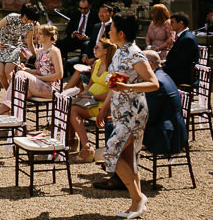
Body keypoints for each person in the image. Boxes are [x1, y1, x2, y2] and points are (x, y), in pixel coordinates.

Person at [94, 13, 158, 219]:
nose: (108, 31)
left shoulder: (134, 54)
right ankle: (136, 202)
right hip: (120, 113)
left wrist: (127, 86)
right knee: (127, 156)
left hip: (133, 113)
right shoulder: (119, 52)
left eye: (111, 28)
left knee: (111, 152)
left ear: (121, 33)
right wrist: (104, 109)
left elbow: (153, 83)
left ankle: (138, 198)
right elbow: (114, 85)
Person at [0, 24, 63, 115]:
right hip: (39, 84)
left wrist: (39, 78)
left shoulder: (54, 51)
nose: (37, 36)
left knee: (20, 77)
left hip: (51, 88)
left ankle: (5, 108)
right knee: (20, 81)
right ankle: (15, 117)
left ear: (49, 36)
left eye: (40, 34)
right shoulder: (40, 51)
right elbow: (39, 71)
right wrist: (26, 70)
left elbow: (59, 75)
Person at [70, 39, 116, 163]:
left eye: (97, 48)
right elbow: (90, 84)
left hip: (103, 103)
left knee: (73, 110)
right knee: (67, 103)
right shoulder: (96, 63)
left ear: (105, 51)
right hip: (91, 98)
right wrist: (83, 93)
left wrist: (92, 97)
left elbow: (113, 92)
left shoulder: (113, 68)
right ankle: (70, 141)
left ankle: (86, 147)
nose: (93, 50)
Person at [142, 50, 188, 157]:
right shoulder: (160, 75)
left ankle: (118, 165)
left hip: (166, 133)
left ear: (149, 64)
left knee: (121, 130)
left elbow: (150, 114)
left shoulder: (157, 83)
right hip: (163, 124)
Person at [0, 3, 39, 90]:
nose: (30, 22)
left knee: (8, 72)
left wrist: (36, 56)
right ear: (24, 15)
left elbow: (30, 43)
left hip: (15, 47)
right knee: (1, 73)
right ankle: (9, 95)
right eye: (29, 19)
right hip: (2, 46)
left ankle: (15, 94)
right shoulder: (11, 17)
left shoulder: (30, 25)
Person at [162, 12, 199, 87]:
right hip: (177, 71)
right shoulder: (183, 36)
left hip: (182, 76)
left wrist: (163, 67)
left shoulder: (187, 39)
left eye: (172, 22)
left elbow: (181, 61)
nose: (171, 25)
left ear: (181, 23)